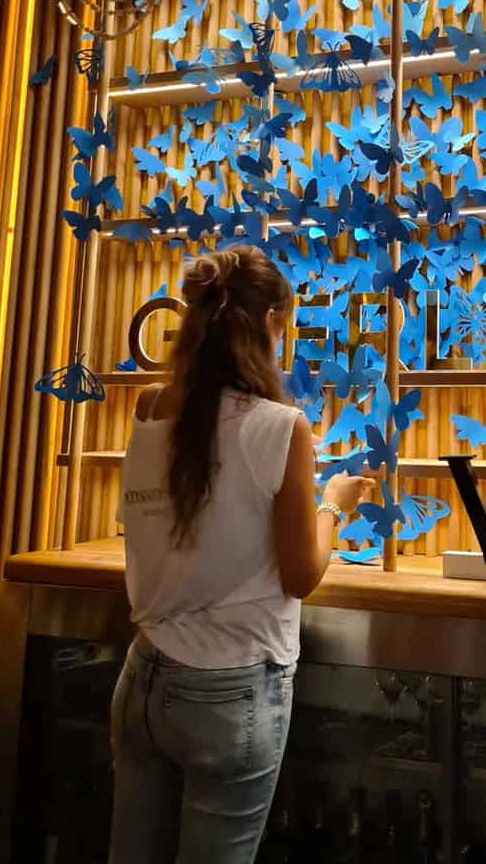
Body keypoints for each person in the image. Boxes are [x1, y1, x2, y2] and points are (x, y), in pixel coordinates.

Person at [109, 245, 372, 864]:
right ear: (272, 322)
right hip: (231, 694)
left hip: (142, 678)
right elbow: (301, 575)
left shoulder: (149, 406)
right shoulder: (282, 426)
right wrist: (334, 505)